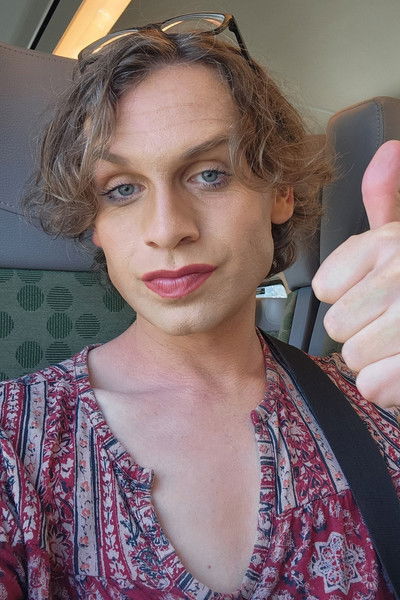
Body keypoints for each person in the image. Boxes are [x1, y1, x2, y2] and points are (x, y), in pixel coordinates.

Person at [0, 13, 399, 600]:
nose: (168, 229)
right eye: (122, 189)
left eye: (210, 174)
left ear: (281, 191)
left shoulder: (382, 407)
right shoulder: (12, 444)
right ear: (94, 223)